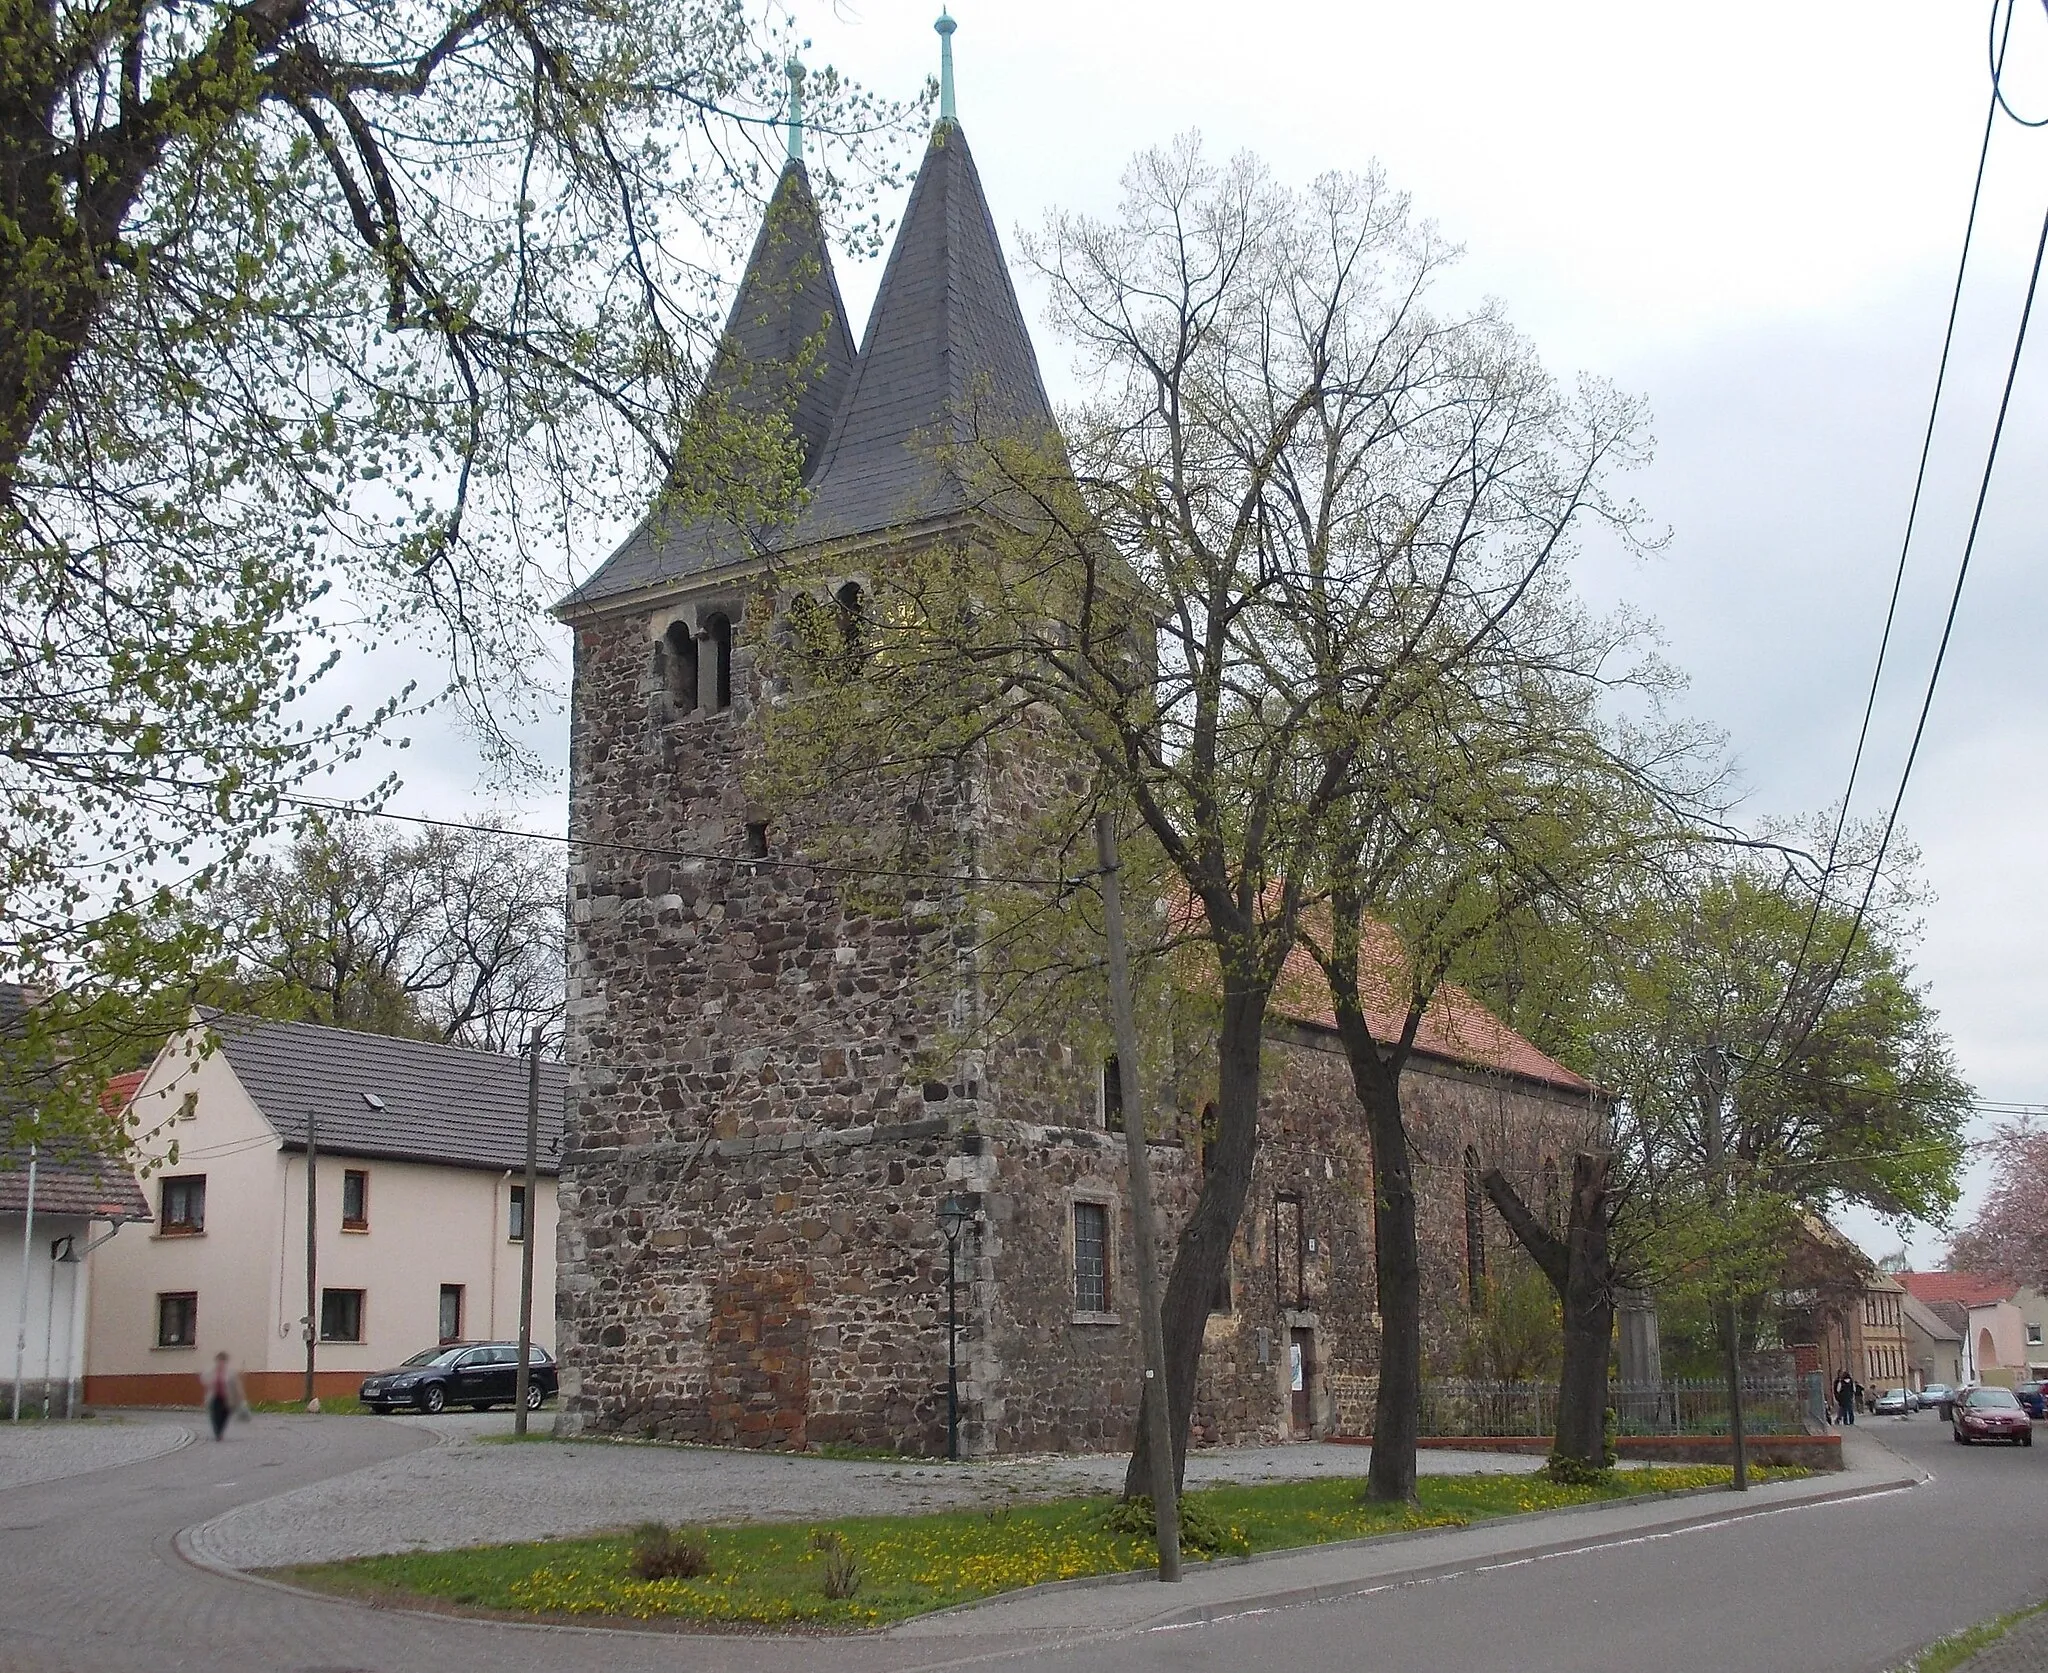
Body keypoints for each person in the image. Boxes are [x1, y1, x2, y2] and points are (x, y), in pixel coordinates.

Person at [202, 1352, 244, 1441]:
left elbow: (236, 1385)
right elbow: (204, 1380)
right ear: (217, 1361)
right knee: (215, 1415)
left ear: (225, 1361)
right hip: (214, 1397)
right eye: (219, 1360)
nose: (221, 1362)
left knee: (225, 1415)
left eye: (223, 1360)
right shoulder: (211, 1371)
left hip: (227, 1397)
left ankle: (220, 1430)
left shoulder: (230, 1373)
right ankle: (217, 1433)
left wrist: (239, 1396)